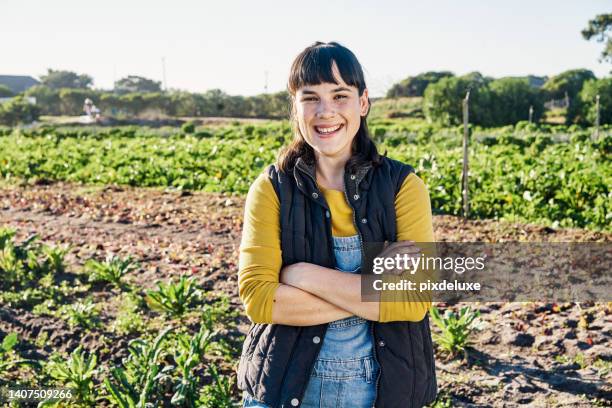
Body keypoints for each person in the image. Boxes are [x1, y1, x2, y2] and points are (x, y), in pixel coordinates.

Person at [237, 41, 437, 408]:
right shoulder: (271, 189)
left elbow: (413, 300)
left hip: (380, 394)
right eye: (310, 97)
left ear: (363, 103)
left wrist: (303, 277)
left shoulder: (403, 188)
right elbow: (261, 301)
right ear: (295, 109)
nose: (325, 112)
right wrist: (376, 293)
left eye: (340, 95)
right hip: (281, 391)